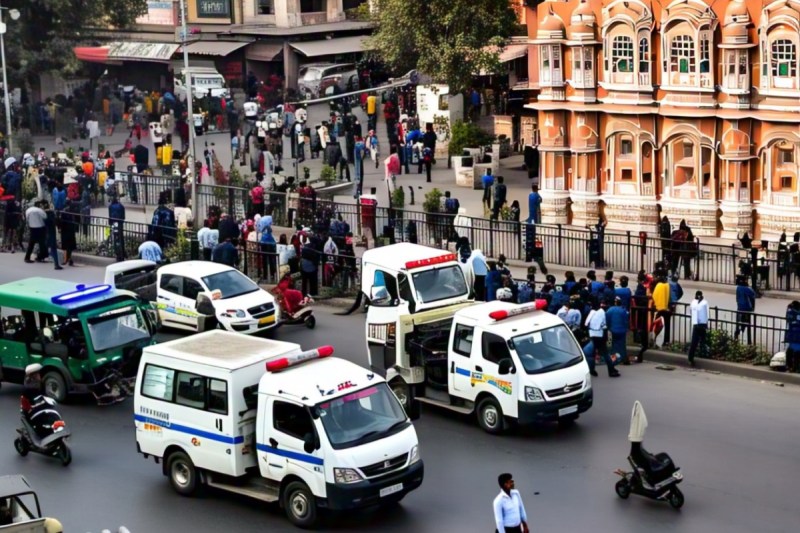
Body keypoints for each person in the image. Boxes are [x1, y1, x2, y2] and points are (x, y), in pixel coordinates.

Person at [586, 300, 620, 377]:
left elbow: (586, 323)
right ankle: (611, 370)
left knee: (592, 354)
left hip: (592, 335)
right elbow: (604, 326)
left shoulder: (592, 312)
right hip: (600, 335)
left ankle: (592, 370)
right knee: (605, 354)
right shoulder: (601, 313)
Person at [688, 290, 709, 367]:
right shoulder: (702, 303)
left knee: (696, 342)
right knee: (700, 342)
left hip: (698, 325)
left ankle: (692, 358)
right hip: (700, 325)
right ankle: (694, 357)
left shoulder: (695, 303)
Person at [607, 297, 630, 365]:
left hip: (613, 330)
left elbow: (607, 318)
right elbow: (626, 321)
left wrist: (608, 327)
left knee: (614, 345)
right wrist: (626, 328)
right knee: (622, 345)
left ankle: (614, 359)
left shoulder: (610, 310)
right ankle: (623, 358)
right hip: (622, 330)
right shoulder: (623, 310)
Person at [734, 275, 756, 345]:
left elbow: (737, 298)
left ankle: (736, 337)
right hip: (746, 308)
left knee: (739, 322)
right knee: (747, 323)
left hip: (740, 307)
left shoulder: (738, 288)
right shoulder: (746, 288)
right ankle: (749, 341)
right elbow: (753, 294)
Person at [651, 276, 671, 346]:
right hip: (666, 309)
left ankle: (656, 341)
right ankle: (666, 341)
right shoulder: (667, 286)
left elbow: (654, 296)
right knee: (666, 326)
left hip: (658, 310)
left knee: (658, 326)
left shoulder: (658, 286)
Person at [43, 202, 62, 270]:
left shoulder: (45, 218)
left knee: (51, 249)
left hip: (47, 234)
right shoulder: (52, 217)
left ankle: (54, 262)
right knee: (53, 249)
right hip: (52, 234)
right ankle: (56, 264)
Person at [60, 200, 79, 266]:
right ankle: (69, 259)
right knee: (70, 246)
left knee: (66, 246)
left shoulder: (63, 211)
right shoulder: (73, 211)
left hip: (65, 230)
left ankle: (66, 259)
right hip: (71, 230)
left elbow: (61, 222)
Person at [784, 301, 800, 373]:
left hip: (793, 334)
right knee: (796, 351)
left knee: (792, 351)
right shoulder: (795, 312)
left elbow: (788, 319)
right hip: (796, 335)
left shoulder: (791, 312)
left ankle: (791, 366)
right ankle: (795, 367)